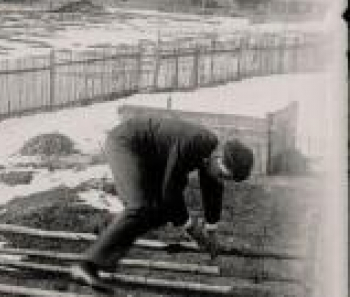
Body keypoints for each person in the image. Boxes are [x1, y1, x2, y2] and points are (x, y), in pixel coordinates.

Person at [71, 114, 255, 292]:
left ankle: (108, 232)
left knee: (159, 212)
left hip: (151, 157)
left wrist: (211, 232)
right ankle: (87, 265)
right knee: (141, 205)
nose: (220, 178)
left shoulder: (211, 155)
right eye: (222, 174)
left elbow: (213, 189)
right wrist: (192, 229)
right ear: (219, 156)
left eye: (225, 178)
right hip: (126, 143)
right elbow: (170, 191)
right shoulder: (196, 142)